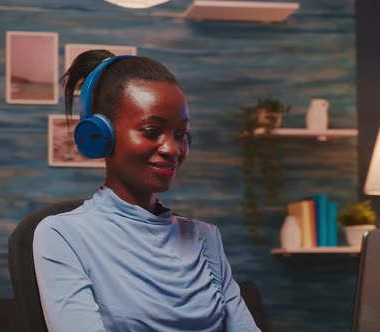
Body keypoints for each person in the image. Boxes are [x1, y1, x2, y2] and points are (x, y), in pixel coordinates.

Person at [33, 50, 261, 332]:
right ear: (100, 136)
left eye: (180, 134)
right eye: (152, 131)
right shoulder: (62, 236)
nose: (173, 149)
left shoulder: (205, 238)